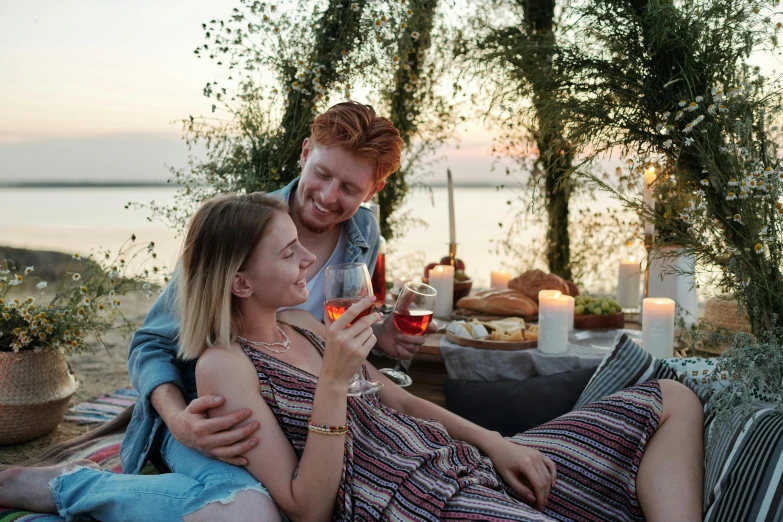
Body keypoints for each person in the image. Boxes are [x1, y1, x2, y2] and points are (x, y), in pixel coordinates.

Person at [0, 193, 704, 521]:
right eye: (286, 251)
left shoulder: (302, 325)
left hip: (460, 466)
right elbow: (305, 507)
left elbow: (397, 400)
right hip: (409, 503)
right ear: (239, 282)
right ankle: (52, 489)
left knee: (670, 400)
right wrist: (334, 385)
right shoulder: (225, 365)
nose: (307, 254)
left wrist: (498, 442)